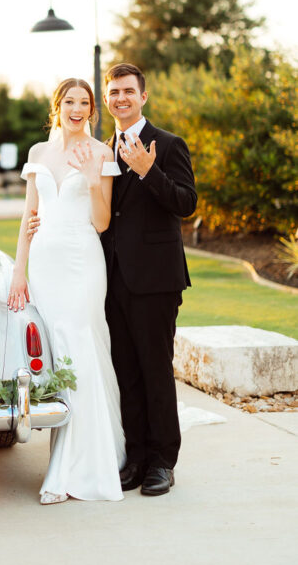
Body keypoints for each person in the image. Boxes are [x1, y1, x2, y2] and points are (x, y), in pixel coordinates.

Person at [29, 63, 197, 497]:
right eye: (113, 93)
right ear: (107, 101)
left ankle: (162, 461)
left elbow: (186, 203)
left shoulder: (168, 144)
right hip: (108, 276)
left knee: (155, 369)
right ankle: (135, 456)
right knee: (125, 370)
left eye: (128, 91)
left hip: (156, 278)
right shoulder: (100, 149)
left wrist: (146, 169)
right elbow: (99, 215)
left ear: (142, 96)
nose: (120, 98)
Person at [7, 77, 126, 504]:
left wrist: (94, 179)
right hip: (43, 266)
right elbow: (28, 216)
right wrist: (18, 271)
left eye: (85, 103)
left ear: (92, 111)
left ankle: (76, 469)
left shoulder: (100, 153)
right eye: (70, 101)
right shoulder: (38, 154)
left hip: (82, 262)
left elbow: (102, 222)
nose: (78, 108)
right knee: (57, 357)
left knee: (79, 348)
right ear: (57, 107)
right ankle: (67, 454)